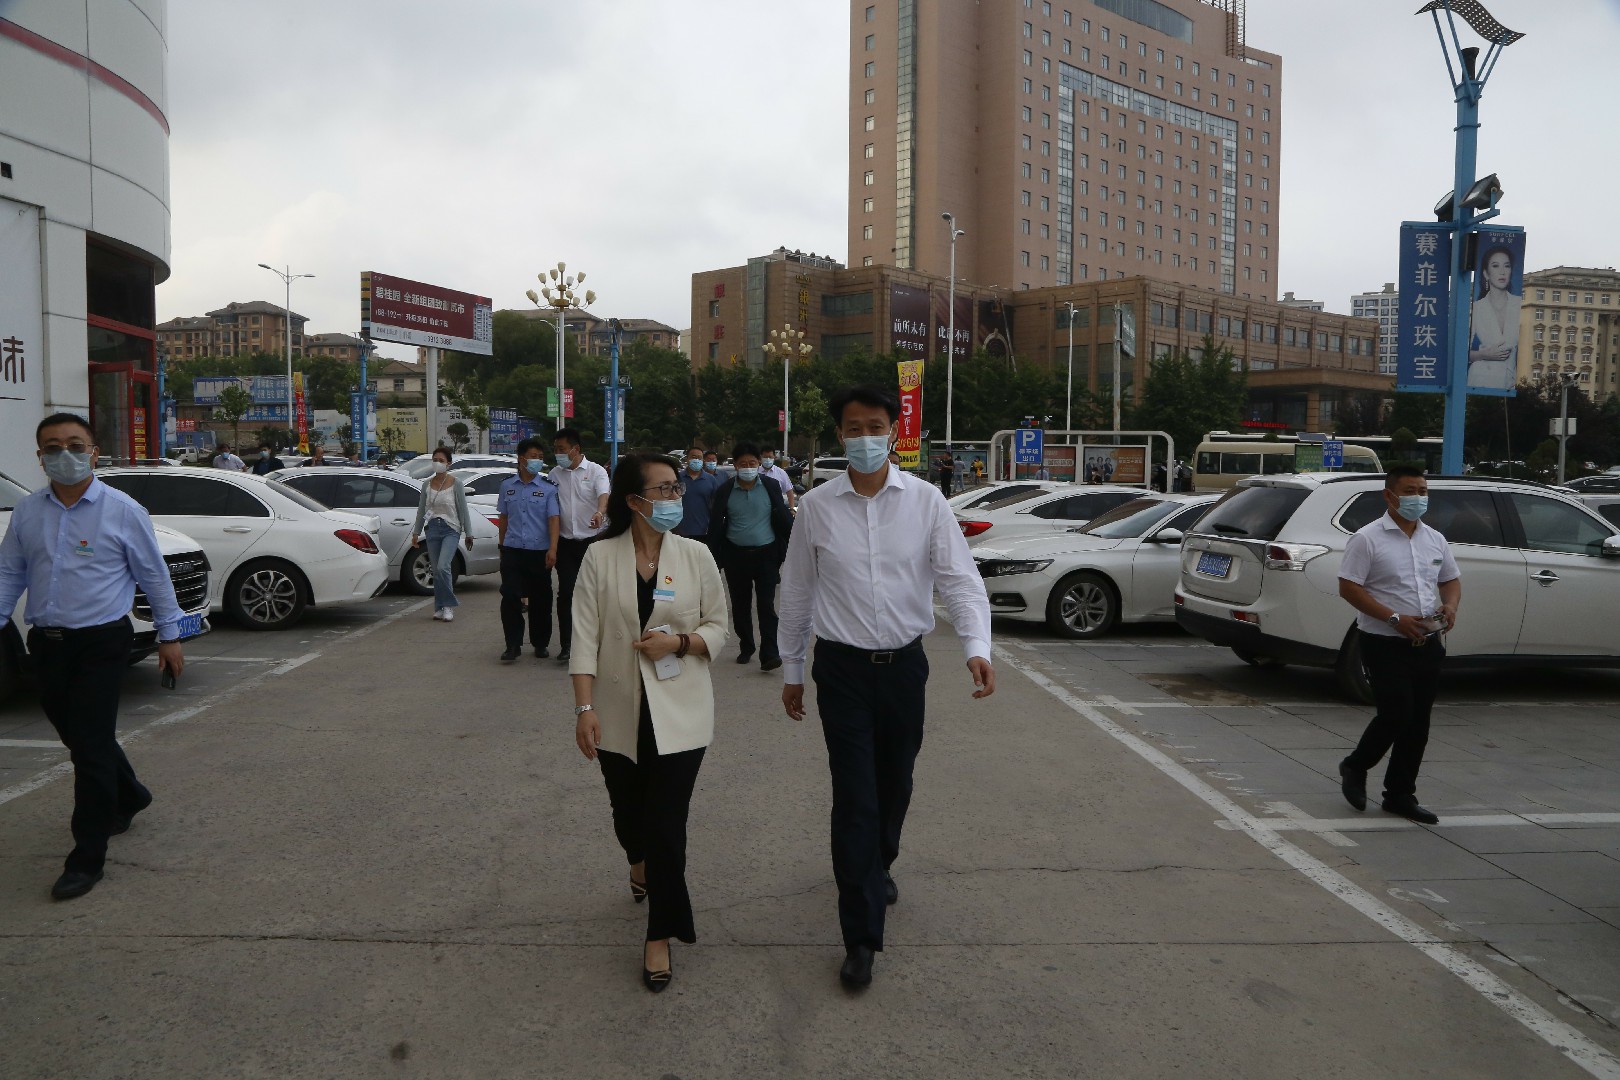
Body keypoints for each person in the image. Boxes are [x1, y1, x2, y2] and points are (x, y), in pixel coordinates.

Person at [778, 385, 995, 988]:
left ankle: (880, 862)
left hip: (904, 668)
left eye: (876, 426)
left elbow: (959, 581)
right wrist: (792, 668)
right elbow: (796, 590)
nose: (865, 437)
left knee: (895, 781)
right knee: (855, 797)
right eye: (854, 428)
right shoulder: (816, 507)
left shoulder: (926, 502)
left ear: (895, 432)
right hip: (841, 669)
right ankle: (861, 936)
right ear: (839, 434)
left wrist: (977, 648)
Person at [0, 413, 187, 900]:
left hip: (102, 643)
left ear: (94, 452)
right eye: (52, 447)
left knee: (88, 749)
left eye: (75, 445)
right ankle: (131, 794)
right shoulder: (28, 512)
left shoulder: (122, 510)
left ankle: (86, 857)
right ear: (39, 456)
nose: (64, 455)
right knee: (83, 738)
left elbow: (153, 576)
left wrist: (169, 636)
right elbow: (9, 575)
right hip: (47, 644)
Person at [570, 453, 728, 993]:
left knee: (666, 825)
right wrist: (584, 709)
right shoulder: (599, 557)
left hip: (681, 712)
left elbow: (720, 626)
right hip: (617, 711)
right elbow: (583, 638)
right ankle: (636, 861)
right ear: (634, 501)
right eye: (663, 490)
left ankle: (660, 933)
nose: (674, 497)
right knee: (628, 816)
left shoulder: (696, 554)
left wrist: (680, 642)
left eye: (676, 487)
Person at [1336, 465, 1461, 825]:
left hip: (1427, 641)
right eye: (1410, 491)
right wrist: (1394, 618)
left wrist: (1450, 606)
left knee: (1418, 722)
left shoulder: (1434, 539)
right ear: (1389, 495)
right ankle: (1355, 765)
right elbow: (1349, 588)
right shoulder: (1367, 538)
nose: (1418, 498)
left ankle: (1400, 794)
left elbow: (1450, 580)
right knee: (1396, 712)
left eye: (1423, 491)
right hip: (1383, 640)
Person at [706, 441, 793, 672]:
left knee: (766, 605)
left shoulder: (771, 485)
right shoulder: (725, 491)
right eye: (743, 464)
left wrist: (795, 545)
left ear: (759, 464)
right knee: (740, 605)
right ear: (735, 465)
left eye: (752, 463)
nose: (748, 467)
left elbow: (782, 516)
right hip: (736, 556)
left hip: (766, 555)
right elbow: (716, 526)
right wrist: (713, 559)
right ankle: (746, 645)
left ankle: (770, 652)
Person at [494, 439, 561, 661]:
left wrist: (553, 549)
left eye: (541, 457)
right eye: (534, 456)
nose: (537, 461)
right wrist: (502, 546)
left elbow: (553, 519)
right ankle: (512, 645)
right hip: (512, 550)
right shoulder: (507, 486)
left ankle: (540, 643)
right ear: (521, 459)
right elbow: (504, 518)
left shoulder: (548, 488)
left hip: (538, 551)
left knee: (541, 599)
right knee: (510, 596)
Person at [551, 428, 611, 664]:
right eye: (555, 449)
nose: (558, 454)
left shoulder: (596, 471)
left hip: (592, 542)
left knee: (595, 594)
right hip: (566, 543)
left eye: (562, 449)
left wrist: (600, 512)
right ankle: (567, 645)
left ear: (575, 449)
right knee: (566, 592)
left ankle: (598, 643)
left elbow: (603, 496)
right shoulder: (554, 474)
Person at [411, 446, 478, 624]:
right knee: (436, 570)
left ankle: (448, 605)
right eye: (435, 460)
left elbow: (463, 509)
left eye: (441, 460)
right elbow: (421, 510)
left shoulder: (456, 483)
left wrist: (469, 532)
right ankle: (439, 607)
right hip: (432, 528)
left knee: (443, 567)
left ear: (449, 463)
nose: (437, 463)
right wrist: (416, 532)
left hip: (451, 529)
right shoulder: (427, 484)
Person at [1468, 244, 1522, 391]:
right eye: (1496, 266)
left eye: (1507, 266)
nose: (1502, 272)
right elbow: (1461, 353)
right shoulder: (1477, 308)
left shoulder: (1518, 304)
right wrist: (1484, 354)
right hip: (1479, 379)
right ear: (1486, 273)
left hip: (1508, 382)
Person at [676, 445, 721, 541]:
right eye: (693, 457)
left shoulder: (711, 479)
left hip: (703, 531)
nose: (696, 460)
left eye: (699, 457)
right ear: (687, 459)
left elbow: (716, 505)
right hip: (679, 531)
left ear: (703, 460)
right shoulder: (677, 478)